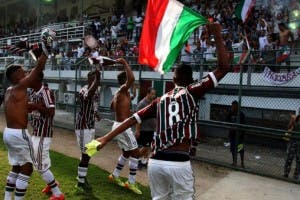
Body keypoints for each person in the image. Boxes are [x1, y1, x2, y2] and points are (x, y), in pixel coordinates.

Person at [87, 23, 229, 199]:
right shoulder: (192, 92)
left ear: (174, 79)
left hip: (156, 162)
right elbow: (224, 67)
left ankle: (123, 176)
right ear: (191, 80)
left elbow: (132, 119)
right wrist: (216, 34)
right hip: (179, 161)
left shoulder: (160, 100)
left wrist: (105, 138)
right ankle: (127, 178)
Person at [2, 45, 51, 200]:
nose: (26, 73)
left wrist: (30, 106)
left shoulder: (9, 90)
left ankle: (8, 197)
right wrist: (46, 50)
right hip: (19, 134)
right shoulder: (21, 86)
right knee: (28, 168)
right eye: (23, 71)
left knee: (16, 166)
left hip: (8, 133)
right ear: (16, 75)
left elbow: (19, 107)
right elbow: (38, 69)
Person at [108, 58, 142, 195]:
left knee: (127, 152)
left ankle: (115, 175)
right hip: (122, 126)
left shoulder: (120, 93)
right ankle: (131, 182)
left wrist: (126, 111)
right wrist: (124, 62)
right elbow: (132, 78)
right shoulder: (123, 89)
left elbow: (112, 107)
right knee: (136, 152)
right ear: (125, 81)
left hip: (119, 125)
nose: (132, 84)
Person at [28, 79, 64, 200]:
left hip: (43, 134)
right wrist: (29, 107)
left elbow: (51, 112)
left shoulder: (46, 92)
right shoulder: (33, 92)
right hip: (36, 132)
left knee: (39, 165)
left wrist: (36, 106)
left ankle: (58, 193)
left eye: (31, 75)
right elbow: (31, 109)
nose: (29, 77)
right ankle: (52, 184)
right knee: (40, 162)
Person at [74, 68, 100, 192]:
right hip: (83, 126)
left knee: (88, 153)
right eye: (93, 78)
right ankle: (80, 183)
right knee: (86, 154)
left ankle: (82, 177)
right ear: (88, 79)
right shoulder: (84, 90)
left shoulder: (96, 91)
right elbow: (88, 95)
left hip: (90, 125)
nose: (94, 80)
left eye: (95, 78)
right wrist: (98, 79)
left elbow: (93, 103)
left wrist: (96, 113)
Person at [135, 87, 156, 169]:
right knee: (145, 146)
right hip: (144, 129)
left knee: (148, 146)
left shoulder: (153, 103)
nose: (154, 96)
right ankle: (136, 160)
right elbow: (137, 118)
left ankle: (143, 161)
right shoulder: (142, 104)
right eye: (152, 94)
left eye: (154, 94)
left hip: (151, 129)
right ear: (148, 94)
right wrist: (137, 130)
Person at [226, 100, 245, 168]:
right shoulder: (230, 113)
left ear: (237, 106)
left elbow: (243, 125)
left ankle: (242, 162)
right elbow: (226, 121)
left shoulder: (241, 114)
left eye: (234, 106)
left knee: (240, 149)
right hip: (232, 135)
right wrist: (230, 128)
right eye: (232, 106)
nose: (233, 107)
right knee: (233, 149)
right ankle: (234, 162)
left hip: (239, 136)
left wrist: (241, 133)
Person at [283, 114, 300, 180]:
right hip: (293, 141)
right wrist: (292, 120)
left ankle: (296, 175)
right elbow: (289, 127)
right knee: (289, 158)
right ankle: (286, 173)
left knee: (299, 160)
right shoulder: (296, 119)